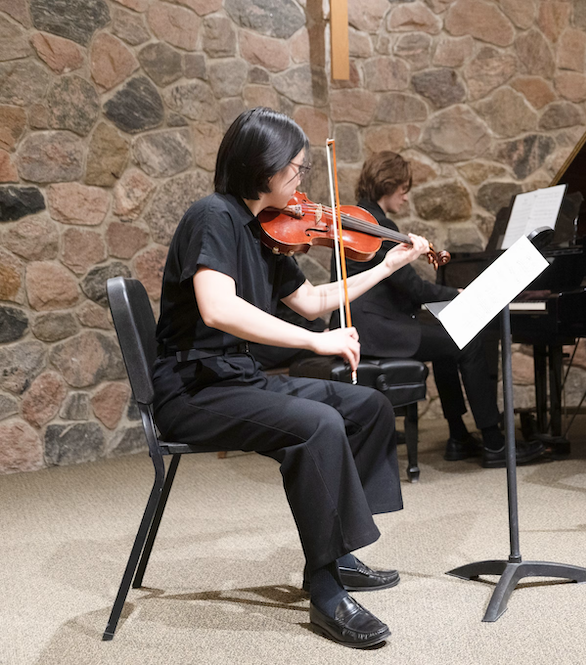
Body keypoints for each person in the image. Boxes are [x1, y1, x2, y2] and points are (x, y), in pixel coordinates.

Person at [151, 108, 432, 648]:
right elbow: (217, 308)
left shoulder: (265, 228)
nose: (302, 179)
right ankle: (325, 588)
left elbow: (312, 300)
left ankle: (336, 550)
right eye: (297, 167)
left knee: (369, 407)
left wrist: (387, 267)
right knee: (319, 425)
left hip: (237, 377)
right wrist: (315, 341)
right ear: (265, 165)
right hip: (192, 388)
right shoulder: (213, 216)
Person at [345, 151, 546, 468]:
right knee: (468, 339)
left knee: (446, 340)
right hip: (376, 331)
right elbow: (412, 287)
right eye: (403, 189)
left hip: (370, 325)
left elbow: (401, 288)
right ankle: (494, 443)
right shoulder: (377, 225)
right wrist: (458, 294)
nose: (406, 197)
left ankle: (458, 437)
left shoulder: (360, 218)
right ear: (388, 184)